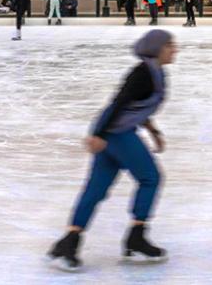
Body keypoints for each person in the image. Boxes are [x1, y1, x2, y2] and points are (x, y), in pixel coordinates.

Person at [47, 30, 177, 271]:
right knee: (151, 178)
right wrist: (98, 135)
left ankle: (68, 243)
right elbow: (119, 103)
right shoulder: (144, 73)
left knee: (96, 189)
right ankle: (136, 239)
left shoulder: (154, 71)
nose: (175, 49)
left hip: (110, 131)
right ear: (157, 48)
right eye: (170, 45)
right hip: (116, 133)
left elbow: (137, 107)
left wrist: (153, 131)